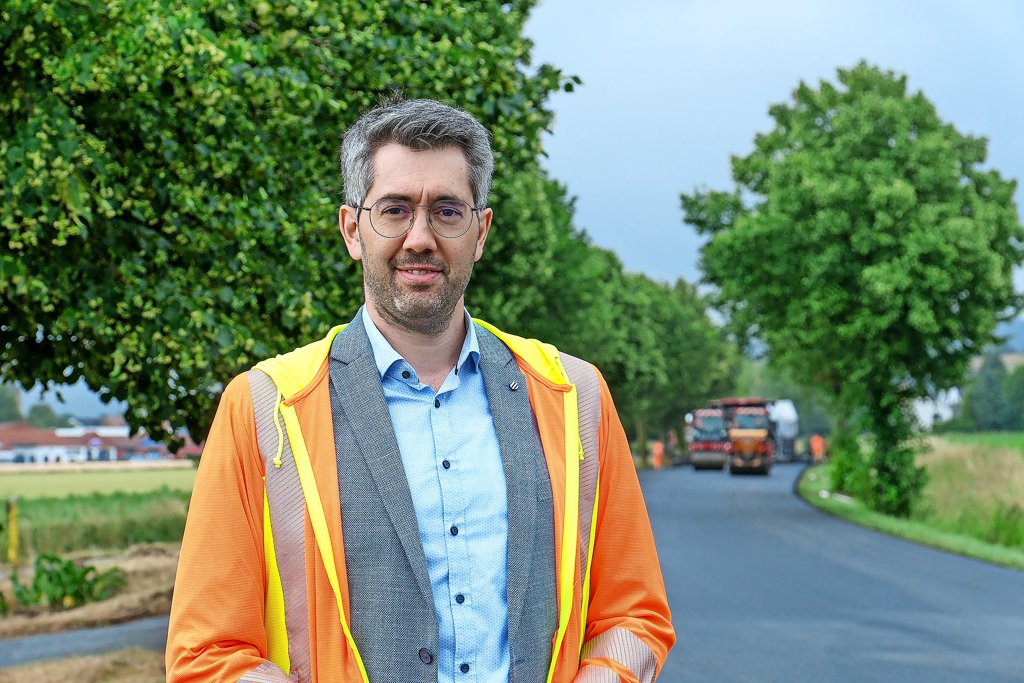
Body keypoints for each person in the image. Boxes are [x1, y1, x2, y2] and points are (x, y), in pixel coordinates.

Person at [166, 97, 674, 683]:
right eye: (395, 210)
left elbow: (634, 616)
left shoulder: (575, 397)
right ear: (352, 229)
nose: (420, 238)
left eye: (447, 211)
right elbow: (207, 654)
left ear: (480, 232)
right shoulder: (264, 409)